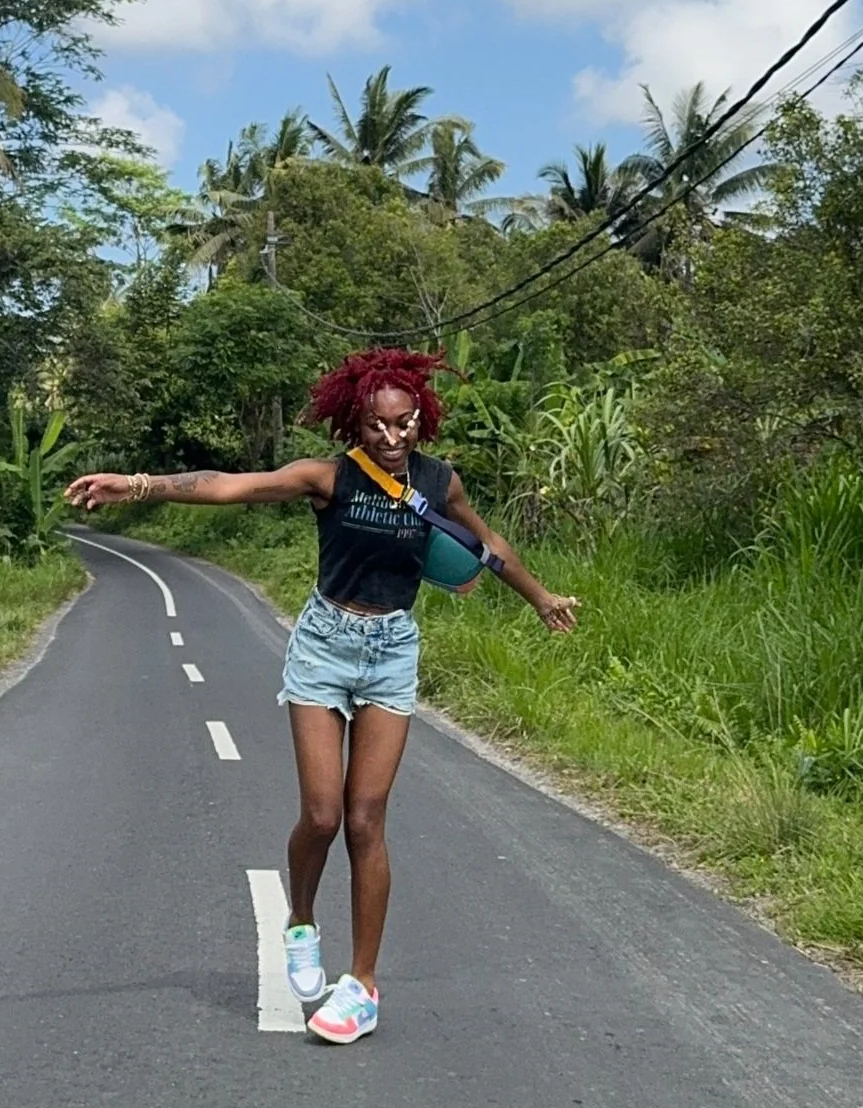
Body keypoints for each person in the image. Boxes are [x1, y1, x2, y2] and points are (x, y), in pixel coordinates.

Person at [63, 347, 578, 1044]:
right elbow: (231, 486)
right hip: (323, 646)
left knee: (367, 818)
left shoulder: (438, 480)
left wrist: (540, 598)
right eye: (378, 426)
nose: (393, 439)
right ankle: (300, 918)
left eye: (405, 425)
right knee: (322, 813)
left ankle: (361, 984)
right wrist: (138, 484)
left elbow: (490, 546)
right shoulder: (328, 478)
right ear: (354, 425)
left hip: (392, 649)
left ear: (420, 421)